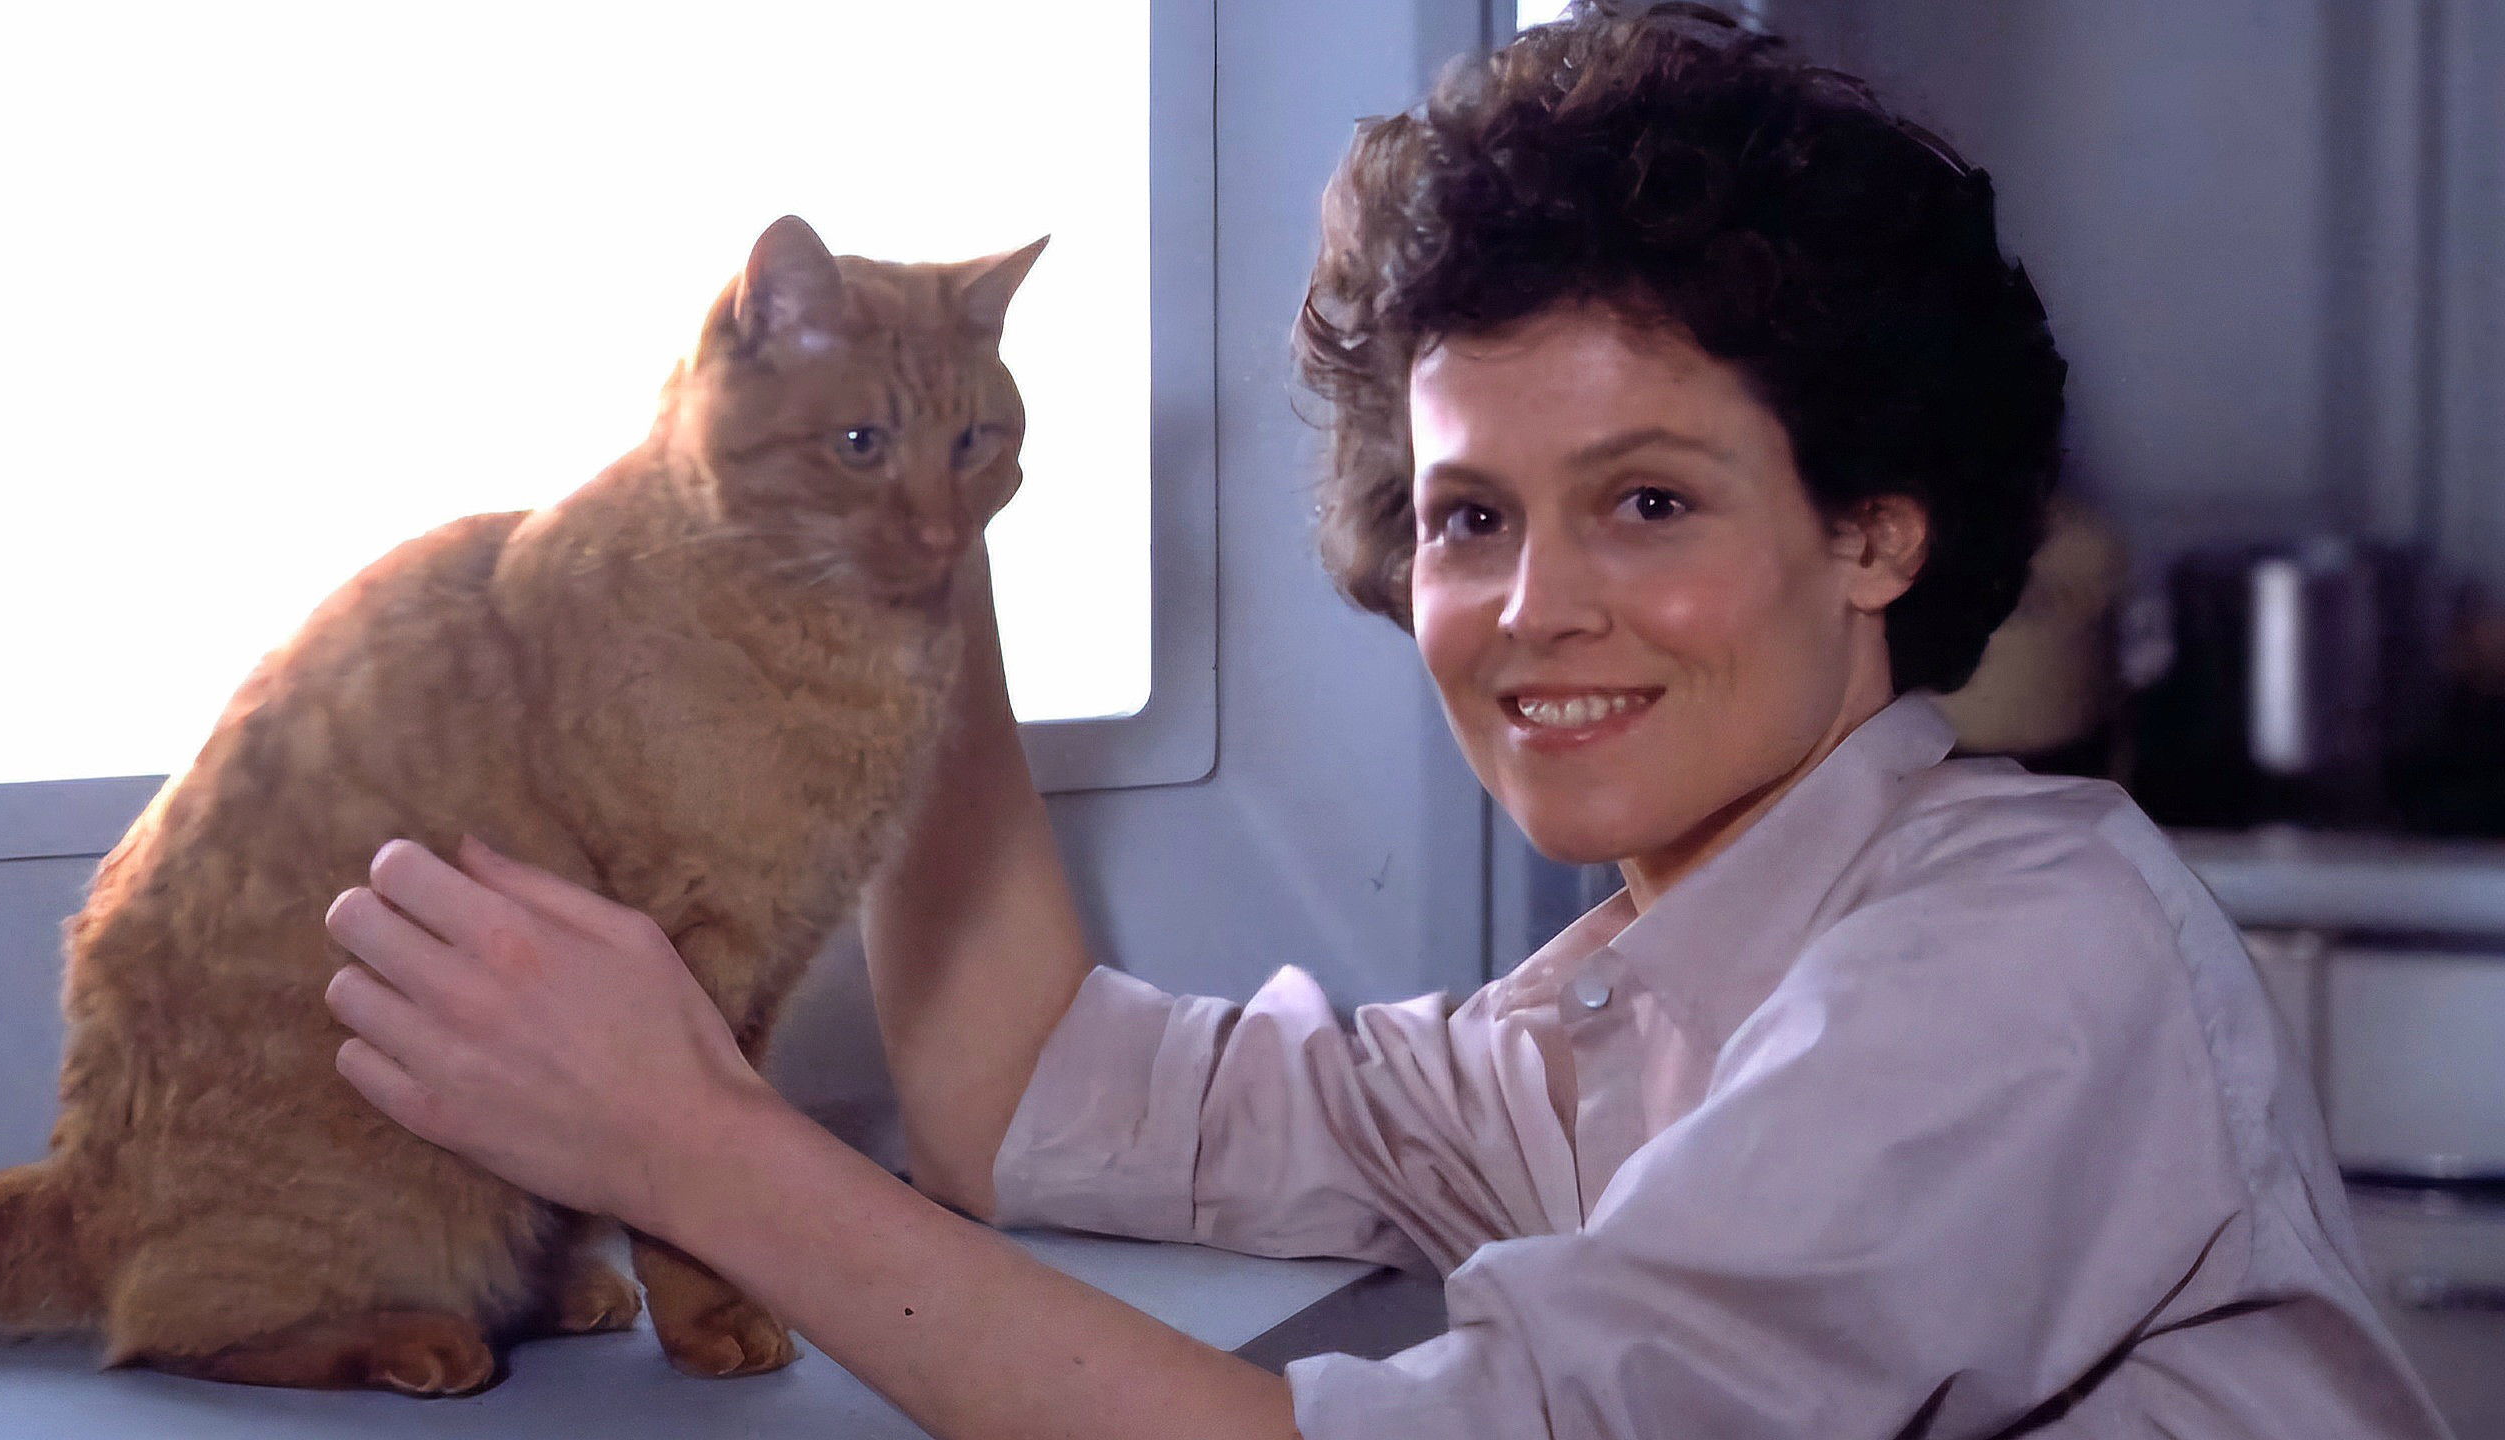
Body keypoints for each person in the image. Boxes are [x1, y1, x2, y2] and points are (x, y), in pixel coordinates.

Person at [319, 6, 2454, 1437]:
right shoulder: (1600, 1025)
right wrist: (910, 535)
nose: (1530, 608)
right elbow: (1021, 1096)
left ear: (1875, 533)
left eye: (1647, 502)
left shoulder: (2017, 955)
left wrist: (688, 1145)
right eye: (1466, 517)